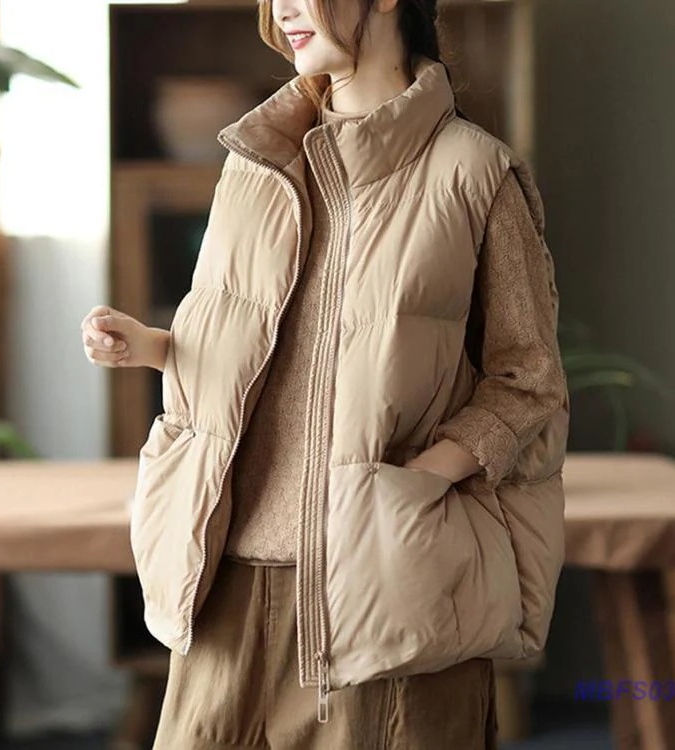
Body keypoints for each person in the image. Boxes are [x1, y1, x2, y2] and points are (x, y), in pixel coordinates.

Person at [80, 0, 570, 746]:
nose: (281, 9)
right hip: (224, 582)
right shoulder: (256, 160)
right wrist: (148, 345)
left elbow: (528, 376)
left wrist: (419, 482)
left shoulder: (473, 172)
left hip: (383, 583)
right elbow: (248, 345)